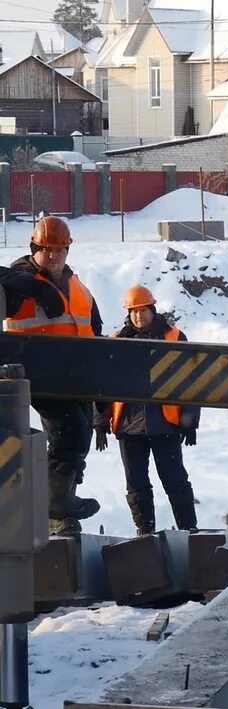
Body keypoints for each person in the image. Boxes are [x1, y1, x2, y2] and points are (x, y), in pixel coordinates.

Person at [5, 215, 103, 535]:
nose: (52, 255)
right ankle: (55, 505)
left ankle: (61, 505)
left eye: (58, 250)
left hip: (75, 376)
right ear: (34, 248)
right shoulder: (21, 278)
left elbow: (94, 328)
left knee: (79, 437)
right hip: (37, 374)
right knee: (68, 432)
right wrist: (34, 287)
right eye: (45, 249)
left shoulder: (77, 286)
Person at [93, 286, 200, 536]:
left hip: (165, 425)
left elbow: (190, 382)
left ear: (152, 309)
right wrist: (100, 422)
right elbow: (103, 386)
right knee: (136, 485)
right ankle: (145, 532)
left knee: (175, 481)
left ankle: (189, 530)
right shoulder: (116, 342)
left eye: (143, 310)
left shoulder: (174, 337)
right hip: (129, 428)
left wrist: (190, 421)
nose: (139, 316)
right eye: (134, 311)